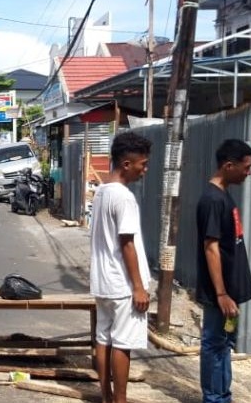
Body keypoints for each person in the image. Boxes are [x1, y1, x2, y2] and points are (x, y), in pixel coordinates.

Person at [89, 131, 152, 403]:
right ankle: (120, 400)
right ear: (127, 164)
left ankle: (106, 396)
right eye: (143, 164)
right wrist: (138, 287)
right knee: (123, 343)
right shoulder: (124, 197)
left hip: (102, 281)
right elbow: (127, 243)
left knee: (103, 339)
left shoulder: (102, 191)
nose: (145, 170)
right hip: (122, 284)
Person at [197, 139, 251, 403]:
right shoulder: (211, 199)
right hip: (219, 293)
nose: (248, 172)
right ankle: (214, 398)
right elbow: (211, 247)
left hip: (229, 290)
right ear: (228, 166)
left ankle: (223, 396)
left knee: (223, 345)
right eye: (246, 167)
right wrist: (221, 293)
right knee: (214, 344)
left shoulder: (223, 196)